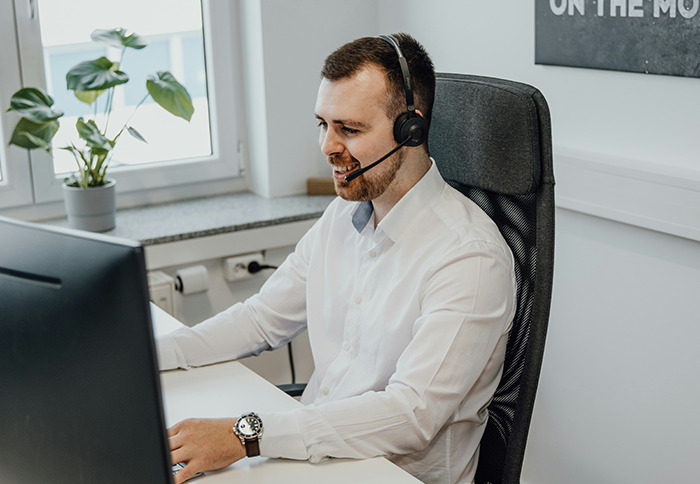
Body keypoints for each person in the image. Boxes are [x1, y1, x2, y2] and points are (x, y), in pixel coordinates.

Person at [158, 33, 516, 484]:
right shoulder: (341, 215)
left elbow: (411, 414)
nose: (328, 146)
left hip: (388, 474)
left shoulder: (469, 258)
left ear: (411, 129)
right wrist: (152, 355)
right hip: (316, 459)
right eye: (323, 124)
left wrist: (245, 435)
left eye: (349, 129)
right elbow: (261, 319)